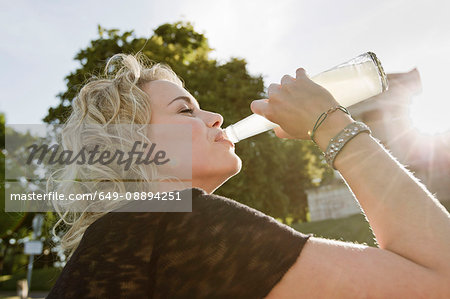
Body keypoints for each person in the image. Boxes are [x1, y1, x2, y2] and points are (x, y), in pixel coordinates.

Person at [46, 54, 450, 298]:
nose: (216, 117)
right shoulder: (173, 224)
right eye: (185, 110)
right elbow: (441, 280)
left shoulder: (131, 237)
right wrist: (328, 122)